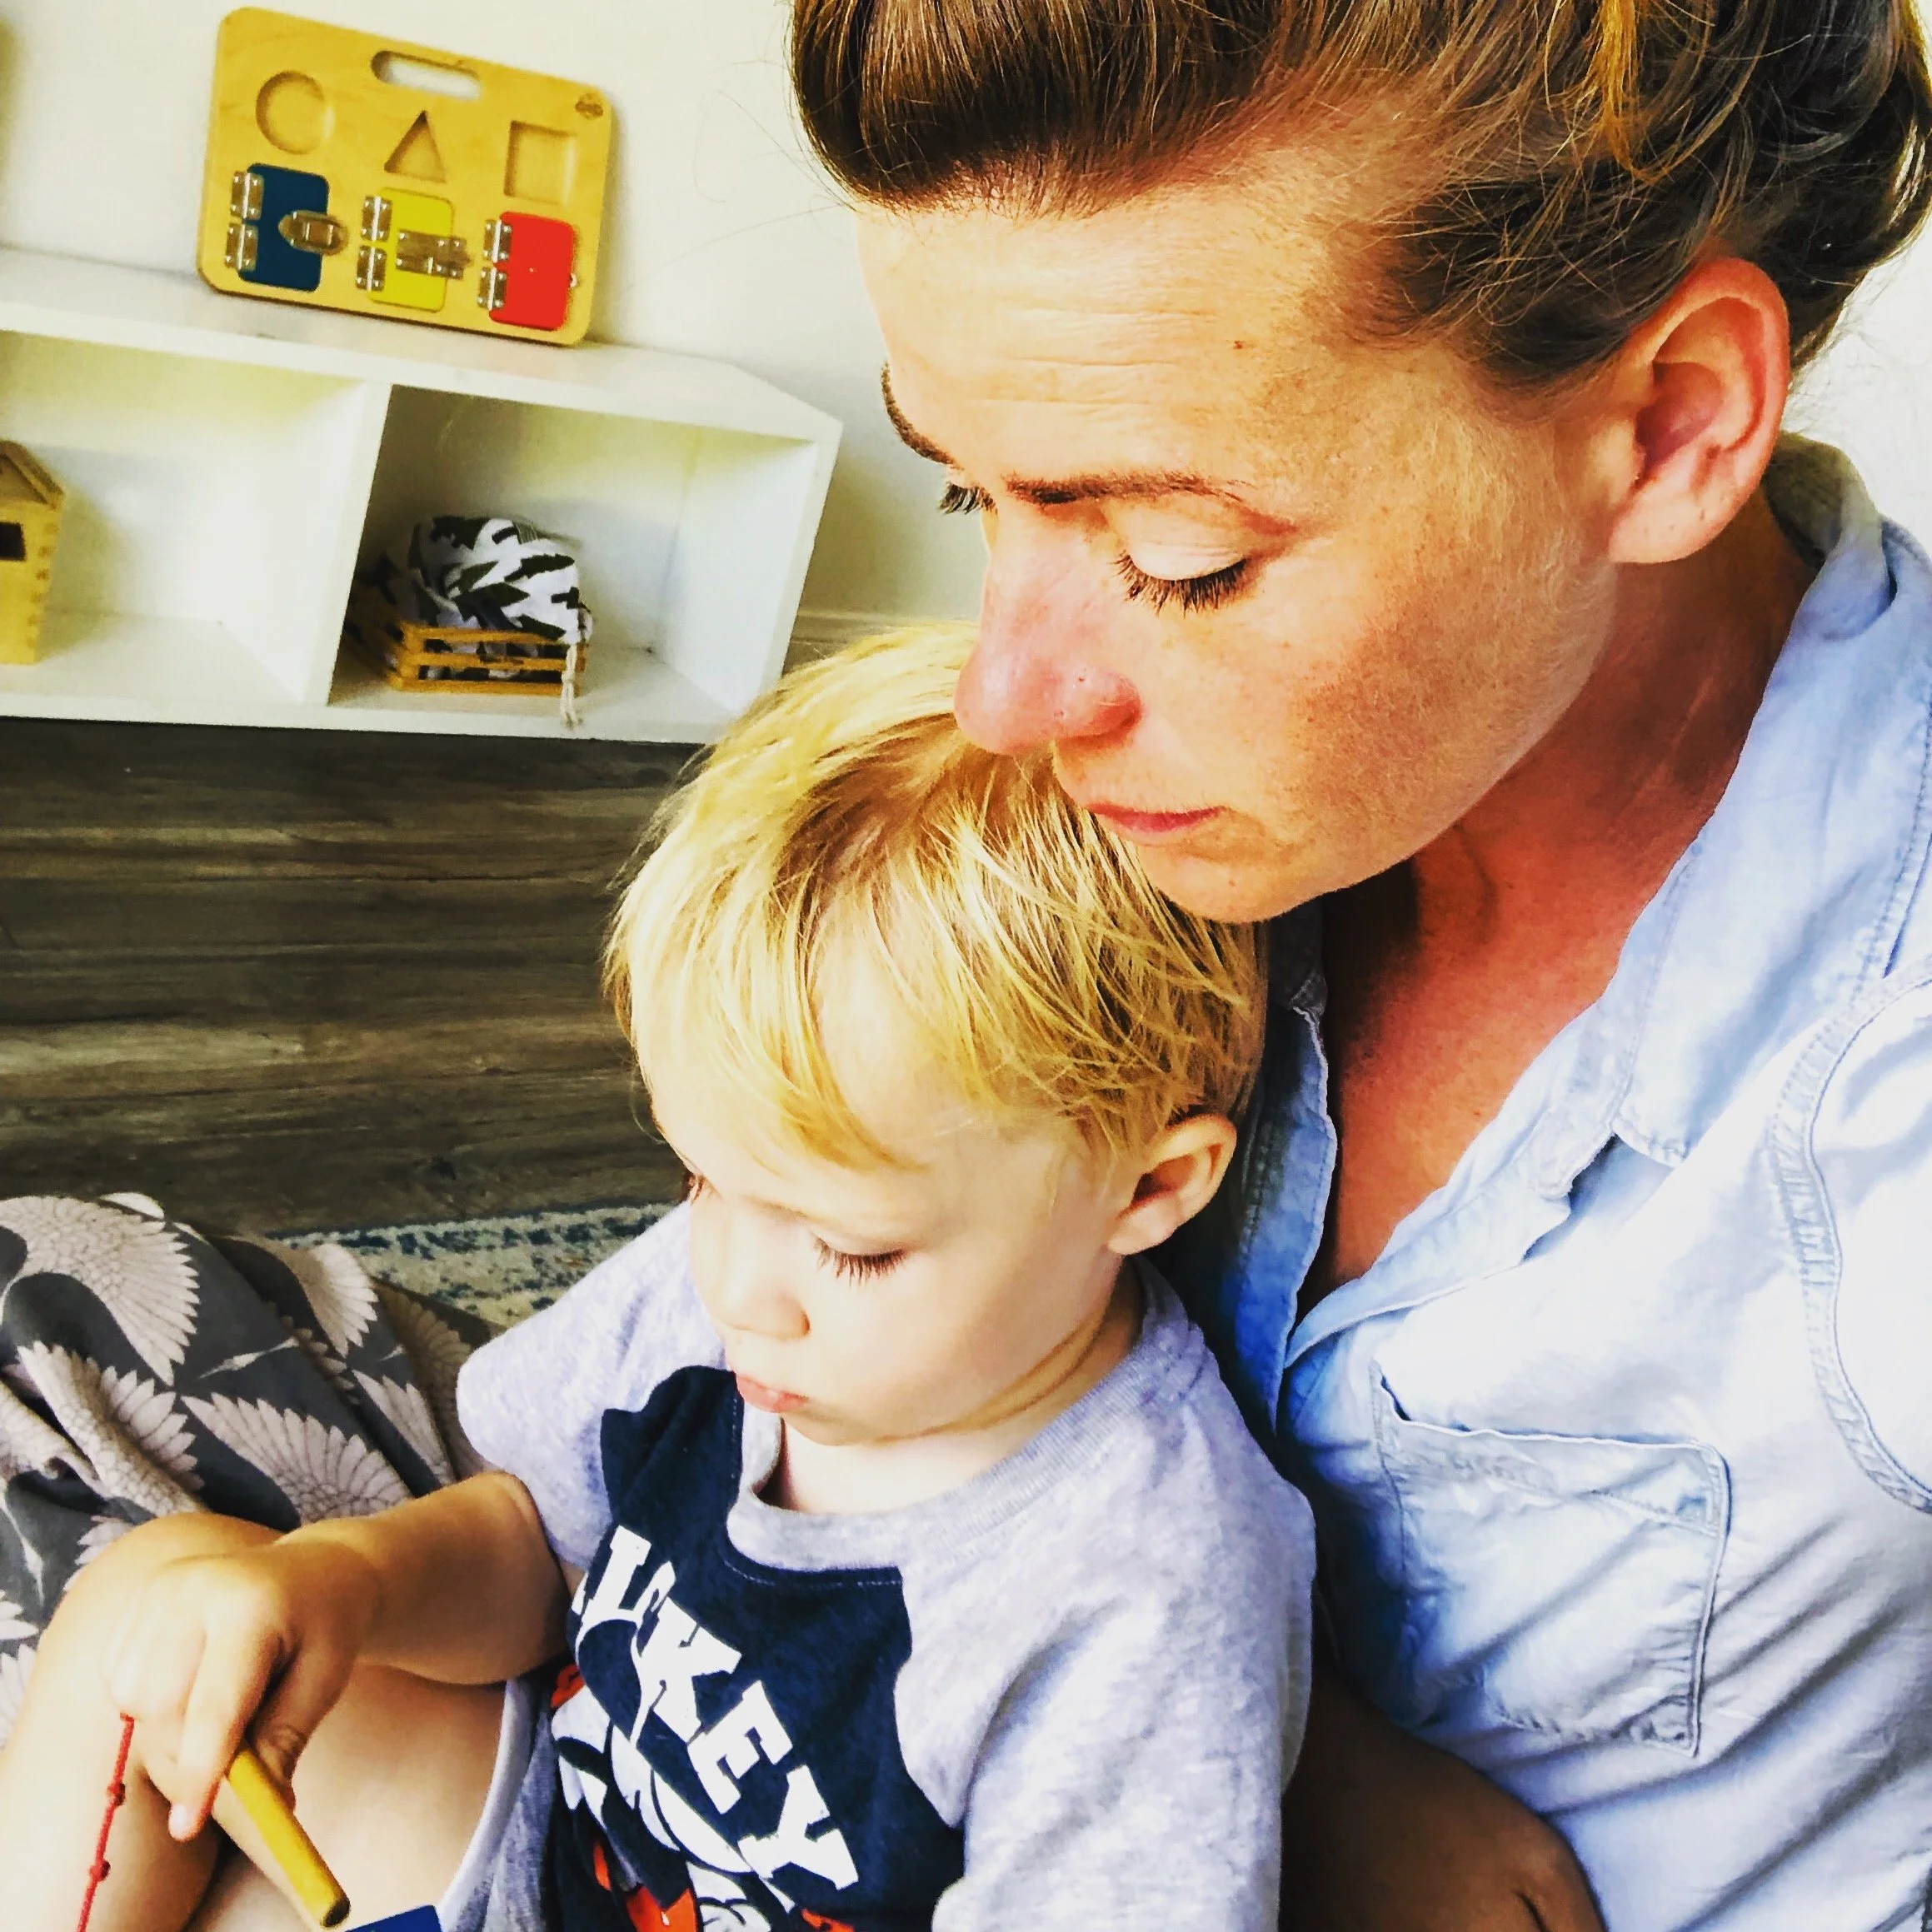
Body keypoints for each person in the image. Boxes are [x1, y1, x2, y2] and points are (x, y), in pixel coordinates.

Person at [784, 2, 1932, 1927]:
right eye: (972, 493)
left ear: (1669, 423)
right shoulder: (1121, 804)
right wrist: (1286, 1742)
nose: (1002, 696)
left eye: (1176, 550)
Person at [0, 627, 1315, 1931]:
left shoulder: (1145, 1595)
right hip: (531, 1840)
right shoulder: (737, 1283)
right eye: (701, 1182)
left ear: (1146, 1188)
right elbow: (535, 1541)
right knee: (161, 1599)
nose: (737, 1285)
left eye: (851, 1246)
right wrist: (346, 1582)